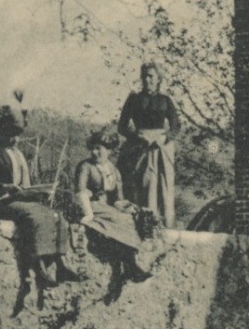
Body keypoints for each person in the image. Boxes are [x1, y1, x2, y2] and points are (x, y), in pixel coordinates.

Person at [0, 106, 77, 289]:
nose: (15, 139)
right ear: (1, 130)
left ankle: (60, 264)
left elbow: (25, 184)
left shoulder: (17, 154)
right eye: (11, 134)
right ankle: (39, 267)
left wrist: (36, 191)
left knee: (55, 215)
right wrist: (7, 187)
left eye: (18, 135)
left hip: (15, 200)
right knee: (33, 216)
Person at [75, 130, 153, 301]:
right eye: (93, 149)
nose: (95, 152)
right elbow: (80, 192)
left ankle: (125, 271)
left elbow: (117, 199)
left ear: (109, 150)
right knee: (116, 220)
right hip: (89, 205)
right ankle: (131, 268)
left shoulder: (113, 170)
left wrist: (128, 207)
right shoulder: (85, 167)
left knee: (126, 218)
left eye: (99, 149)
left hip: (107, 207)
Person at [115, 62, 180, 229]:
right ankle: (139, 225)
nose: (147, 79)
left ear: (158, 79)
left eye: (151, 76)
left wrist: (165, 138)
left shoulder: (165, 100)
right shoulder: (134, 99)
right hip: (138, 147)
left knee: (163, 187)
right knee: (140, 185)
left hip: (161, 148)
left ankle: (164, 226)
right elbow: (122, 126)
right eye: (144, 76)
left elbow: (176, 126)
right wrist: (137, 136)